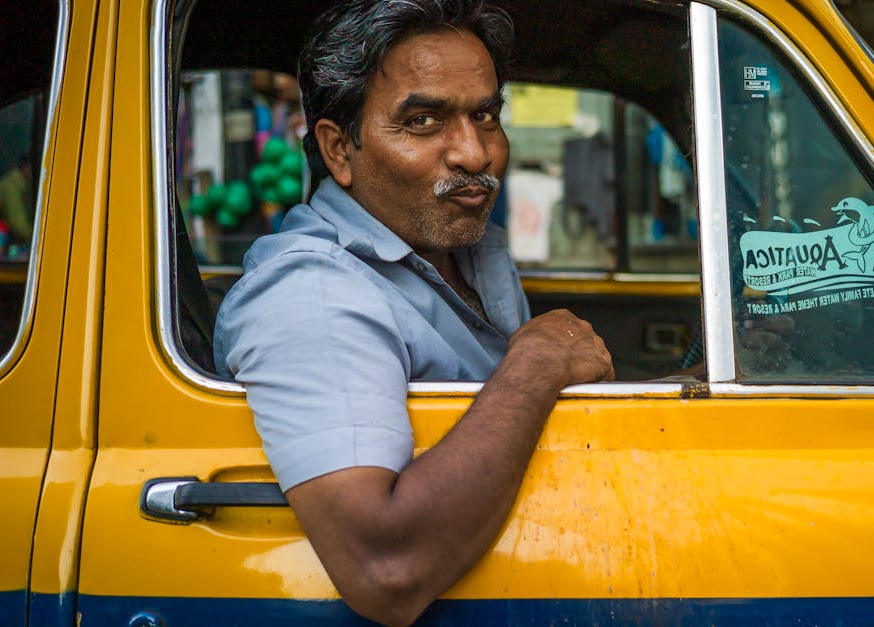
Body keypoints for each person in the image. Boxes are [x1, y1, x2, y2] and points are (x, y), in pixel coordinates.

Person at [212, 1, 614, 624]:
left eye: (485, 115)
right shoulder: (313, 296)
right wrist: (535, 365)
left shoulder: (469, 247)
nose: (474, 154)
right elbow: (385, 571)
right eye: (424, 121)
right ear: (339, 150)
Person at [0, 152, 33, 245]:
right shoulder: (11, 186)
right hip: (2, 239)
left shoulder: (26, 184)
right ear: (25, 167)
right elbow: (19, 226)